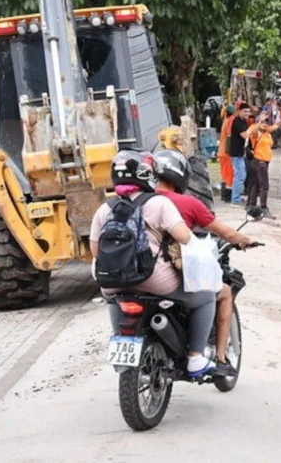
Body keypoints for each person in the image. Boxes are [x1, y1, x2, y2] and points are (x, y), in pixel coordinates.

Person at [92, 151, 219, 378]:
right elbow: (185, 237)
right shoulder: (159, 203)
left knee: (115, 297)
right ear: (147, 175)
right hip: (155, 281)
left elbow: (95, 251)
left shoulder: (105, 209)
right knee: (206, 296)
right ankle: (195, 358)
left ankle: (120, 339)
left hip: (112, 281)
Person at [152, 150, 255, 374]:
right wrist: (246, 240)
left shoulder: (140, 201)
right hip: (167, 278)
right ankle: (214, 357)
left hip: (134, 277)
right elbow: (225, 233)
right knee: (219, 292)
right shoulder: (187, 203)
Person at [245, 110, 281, 219]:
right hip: (259, 161)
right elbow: (254, 131)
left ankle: (251, 204)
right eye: (262, 122)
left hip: (265, 161)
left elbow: (276, 125)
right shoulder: (255, 133)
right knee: (264, 186)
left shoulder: (267, 133)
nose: (264, 124)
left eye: (266, 122)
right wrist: (259, 121)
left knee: (256, 184)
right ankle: (263, 207)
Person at [227, 103, 251, 205]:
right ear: (239, 111)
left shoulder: (243, 121)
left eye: (248, 112)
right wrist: (255, 128)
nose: (247, 114)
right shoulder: (238, 122)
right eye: (245, 111)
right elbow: (245, 135)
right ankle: (235, 200)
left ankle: (236, 197)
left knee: (241, 175)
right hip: (235, 153)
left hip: (239, 153)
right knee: (240, 176)